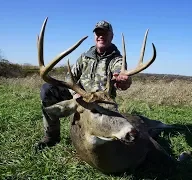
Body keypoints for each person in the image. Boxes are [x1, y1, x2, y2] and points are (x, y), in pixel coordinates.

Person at [37, 20, 132, 150]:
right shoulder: (84, 57)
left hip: (100, 102)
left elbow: (120, 72)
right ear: (95, 36)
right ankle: (51, 136)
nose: (101, 36)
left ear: (112, 36)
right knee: (47, 90)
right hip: (80, 96)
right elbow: (70, 77)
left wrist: (123, 80)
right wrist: (75, 94)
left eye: (105, 33)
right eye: (98, 33)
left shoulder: (117, 60)